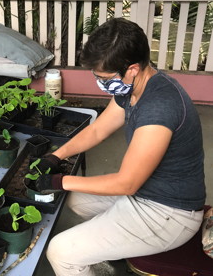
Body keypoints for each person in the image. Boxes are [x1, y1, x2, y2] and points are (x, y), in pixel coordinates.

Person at [35, 18, 205, 275]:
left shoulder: (159, 109)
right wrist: (56, 156)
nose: (100, 83)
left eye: (104, 77)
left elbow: (126, 183)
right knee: (76, 200)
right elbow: (98, 129)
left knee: (60, 252)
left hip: (169, 213)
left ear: (133, 68)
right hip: (146, 193)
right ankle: (115, 244)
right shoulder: (133, 88)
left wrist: (59, 182)